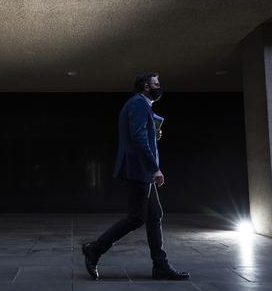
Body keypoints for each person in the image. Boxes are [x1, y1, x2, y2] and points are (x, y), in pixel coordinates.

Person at [81, 73, 190, 280]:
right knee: (136, 218)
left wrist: (153, 134)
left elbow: (141, 135)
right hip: (140, 169)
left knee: (154, 215)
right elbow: (138, 138)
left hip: (141, 168)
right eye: (157, 84)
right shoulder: (139, 104)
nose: (160, 87)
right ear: (147, 87)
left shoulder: (141, 105)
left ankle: (160, 265)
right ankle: (94, 249)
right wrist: (154, 168)